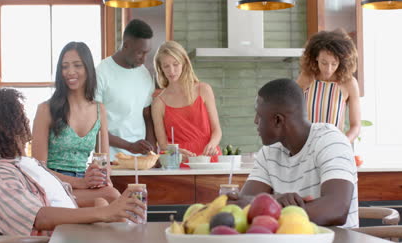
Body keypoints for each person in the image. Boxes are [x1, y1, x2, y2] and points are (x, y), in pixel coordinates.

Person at [0, 88, 146, 239]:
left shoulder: (28, 164)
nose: (26, 120)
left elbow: (59, 199)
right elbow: (39, 217)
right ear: (9, 125)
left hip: (72, 236)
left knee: (110, 201)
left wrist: (100, 193)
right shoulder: (2, 172)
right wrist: (105, 213)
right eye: (21, 115)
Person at [232, 78, 358, 228]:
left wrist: (272, 206)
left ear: (278, 120)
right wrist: (276, 200)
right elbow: (241, 206)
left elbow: (336, 210)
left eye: (259, 115)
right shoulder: (268, 153)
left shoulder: (330, 140)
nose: (255, 121)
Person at [32, 42, 120, 203]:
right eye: (65, 67)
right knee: (111, 197)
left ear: (88, 68)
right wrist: (81, 182)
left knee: (105, 201)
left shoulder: (100, 110)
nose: (70, 72)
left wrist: (101, 176)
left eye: (77, 65)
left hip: (85, 185)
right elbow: (38, 169)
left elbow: (105, 161)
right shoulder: (46, 109)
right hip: (53, 185)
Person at [95, 19, 156, 161]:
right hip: (110, 159)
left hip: (140, 161)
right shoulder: (101, 73)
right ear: (126, 45)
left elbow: (147, 115)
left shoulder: (144, 74)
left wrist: (151, 152)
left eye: (147, 53)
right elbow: (94, 126)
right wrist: (129, 146)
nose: (144, 59)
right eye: (140, 53)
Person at [152, 41, 222, 161]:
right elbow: (162, 144)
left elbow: (217, 130)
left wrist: (212, 145)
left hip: (209, 158)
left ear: (184, 63)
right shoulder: (158, 103)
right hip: (180, 161)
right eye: (166, 66)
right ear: (160, 68)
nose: (171, 71)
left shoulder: (204, 90)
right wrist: (175, 151)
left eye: (175, 64)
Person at [296, 29, 361, 143]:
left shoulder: (349, 83)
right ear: (316, 57)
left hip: (334, 146)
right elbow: (290, 112)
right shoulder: (306, 77)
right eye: (324, 63)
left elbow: (355, 126)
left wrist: (342, 143)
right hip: (305, 145)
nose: (328, 69)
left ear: (341, 61)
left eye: (334, 64)